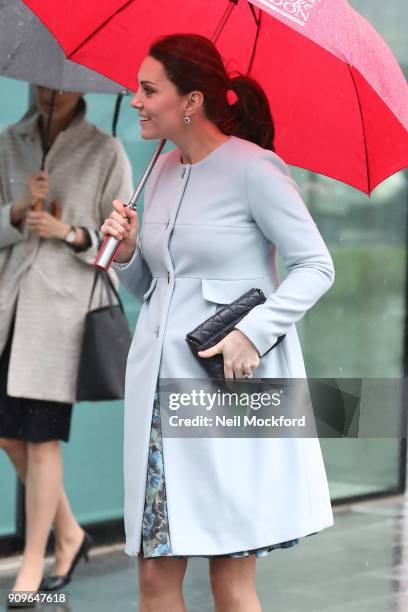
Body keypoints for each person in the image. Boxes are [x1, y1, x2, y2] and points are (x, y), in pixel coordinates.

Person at [101, 33, 335, 611]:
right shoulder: (156, 173)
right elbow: (158, 287)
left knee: (230, 580)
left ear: (191, 100)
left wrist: (253, 332)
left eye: (148, 89)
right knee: (154, 578)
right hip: (157, 395)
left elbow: (316, 266)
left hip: (222, 398)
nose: (135, 100)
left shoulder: (256, 170)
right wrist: (128, 252)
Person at [0, 86, 132, 601]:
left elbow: (118, 245)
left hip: (60, 314)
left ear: (81, 85)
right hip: (10, 308)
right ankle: (72, 532)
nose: (50, 91)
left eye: (60, 83)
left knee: (41, 438)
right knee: (10, 436)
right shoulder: (10, 140)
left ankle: (35, 564)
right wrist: (17, 210)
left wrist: (69, 231)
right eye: (41, 81)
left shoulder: (106, 150)